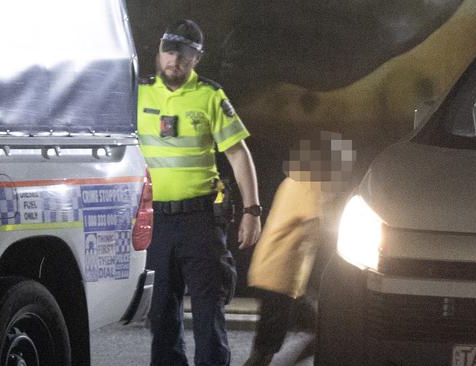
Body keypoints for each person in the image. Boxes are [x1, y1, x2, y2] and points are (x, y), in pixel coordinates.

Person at [137, 19, 262, 366]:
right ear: (160, 50)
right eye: (169, 51)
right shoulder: (138, 92)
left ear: (197, 59)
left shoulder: (209, 95)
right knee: (159, 313)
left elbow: (238, 153)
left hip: (200, 221)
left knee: (209, 314)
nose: (174, 60)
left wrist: (253, 211)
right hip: (155, 222)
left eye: (185, 55)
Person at [243, 131, 353, 365]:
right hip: (279, 278)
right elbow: (320, 222)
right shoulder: (307, 184)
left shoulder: (295, 180)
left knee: (319, 330)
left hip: (285, 279)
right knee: (266, 346)